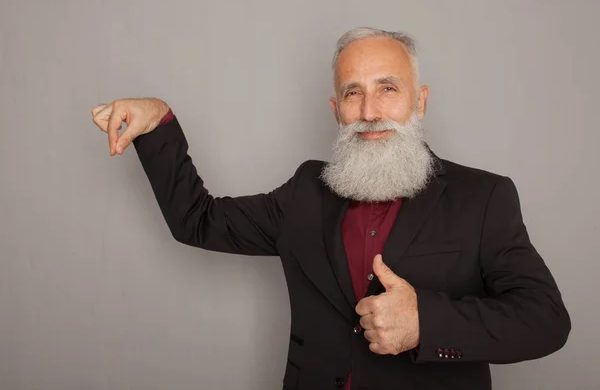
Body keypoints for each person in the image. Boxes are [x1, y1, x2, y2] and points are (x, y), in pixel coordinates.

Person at [90, 27, 570, 390]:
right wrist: (158, 124)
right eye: (352, 93)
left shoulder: (482, 197)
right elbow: (197, 221)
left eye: (388, 88)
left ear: (419, 101)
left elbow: (545, 320)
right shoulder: (305, 191)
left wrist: (426, 323)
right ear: (335, 109)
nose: (369, 112)